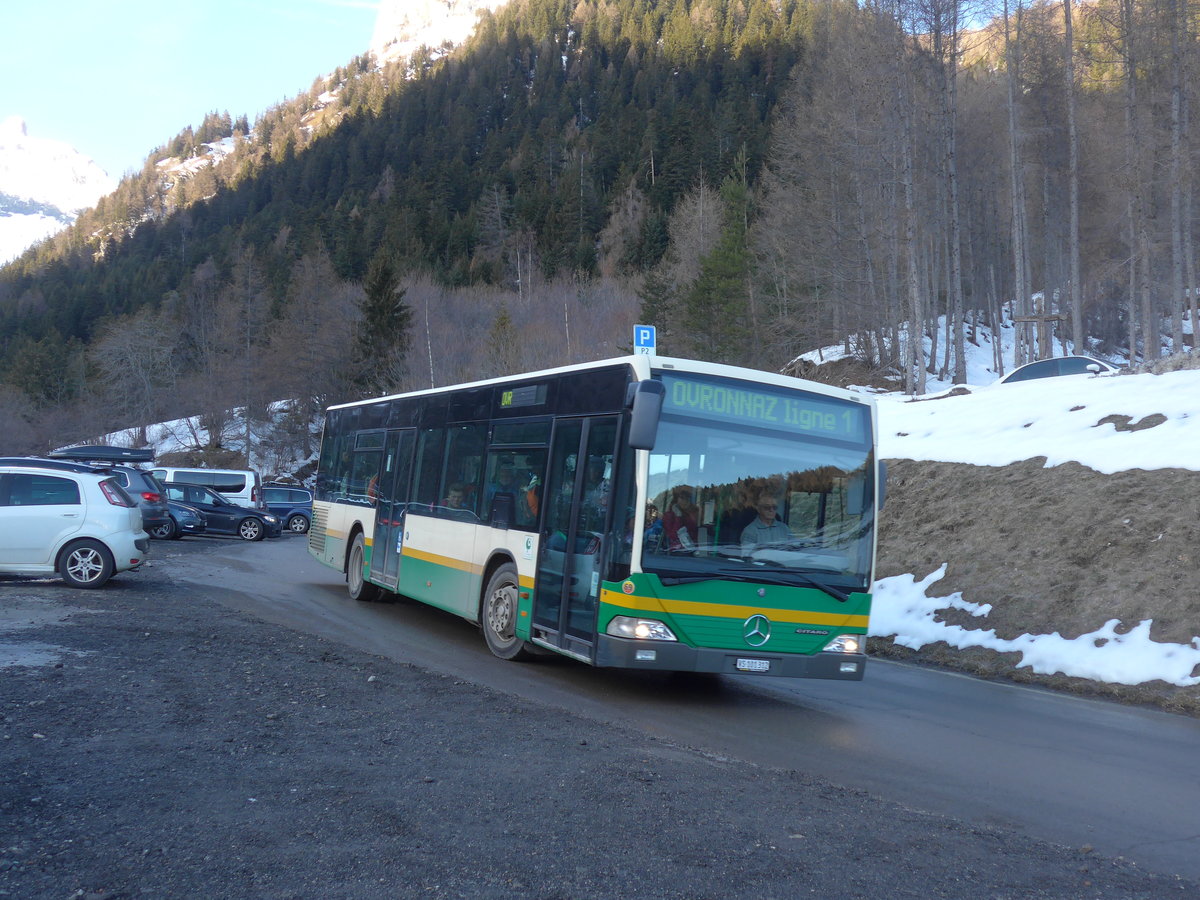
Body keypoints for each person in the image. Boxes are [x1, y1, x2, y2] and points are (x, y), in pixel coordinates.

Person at [661, 485, 698, 552]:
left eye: (687, 499)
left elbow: (694, 532)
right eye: (682, 498)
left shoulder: (690, 514)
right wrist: (678, 517)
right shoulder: (668, 516)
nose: (685, 501)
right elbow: (673, 536)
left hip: (691, 550)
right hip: (675, 552)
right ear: (676, 500)